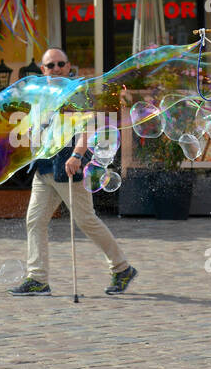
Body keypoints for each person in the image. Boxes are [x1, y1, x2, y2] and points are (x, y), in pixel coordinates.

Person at [9, 48, 137, 297]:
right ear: (42, 70)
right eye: (50, 66)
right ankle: (37, 279)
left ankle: (122, 268)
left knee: (85, 220)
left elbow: (88, 126)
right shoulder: (41, 96)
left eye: (60, 64)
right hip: (44, 166)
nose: (55, 69)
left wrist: (78, 155)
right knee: (34, 221)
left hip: (69, 164)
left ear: (68, 67)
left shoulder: (76, 92)